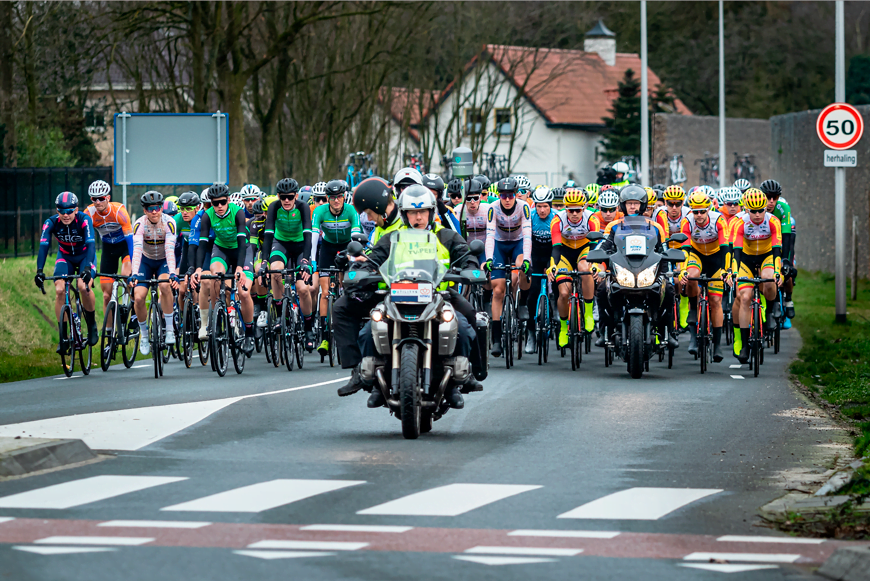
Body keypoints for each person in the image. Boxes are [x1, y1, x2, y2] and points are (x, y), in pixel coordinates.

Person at [334, 185, 482, 408]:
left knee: (465, 325)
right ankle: (374, 382)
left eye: (423, 211)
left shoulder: (446, 236)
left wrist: (470, 268)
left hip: (439, 295)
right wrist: (361, 270)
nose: (418, 217)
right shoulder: (392, 239)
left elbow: (466, 255)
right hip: (397, 296)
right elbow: (374, 259)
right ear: (405, 214)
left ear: (432, 212)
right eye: (413, 212)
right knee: (368, 332)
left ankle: (456, 381)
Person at [595, 185, 676, 349]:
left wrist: (668, 272)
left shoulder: (655, 226)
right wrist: (596, 261)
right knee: (603, 289)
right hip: (621, 272)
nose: (633, 206)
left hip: (649, 272)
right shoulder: (614, 226)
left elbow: (664, 250)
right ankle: (605, 330)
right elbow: (603, 246)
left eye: (636, 203)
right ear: (623, 205)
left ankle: (668, 331)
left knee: (668, 290)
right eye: (629, 203)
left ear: (643, 205)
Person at [192, 183, 256, 356]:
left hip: (242, 250)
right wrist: (198, 268)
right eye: (215, 203)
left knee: (243, 292)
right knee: (215, 276)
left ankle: (249, 332)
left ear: (228, 200)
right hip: (221, 249)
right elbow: (203, 244)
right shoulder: (207, 215)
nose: (219, 206)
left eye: (222, 202)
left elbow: (243, 243)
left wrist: (240, 268)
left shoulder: (238, 212)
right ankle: (222, 315)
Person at [35, 192, 99, 350]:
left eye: (69, 211)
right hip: (65, 257)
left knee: (83, 286)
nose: (65, 215)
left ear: (76, 210)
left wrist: (87, 268)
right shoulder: (51, 222)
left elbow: (91, 244)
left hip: (85, 256)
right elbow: (44, 246)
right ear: (57, 211)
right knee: (59, 290)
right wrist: (39, 271)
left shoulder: (84, 220)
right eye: (61, 211)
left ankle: (91, 325)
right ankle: (63, 337)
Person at [260, 177, 315, 351]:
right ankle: (279, 315)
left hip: (300, 247)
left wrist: (306, 261)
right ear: (278, 196)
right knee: (275, 271)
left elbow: (308, 236)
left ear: (296, 196)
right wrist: (264, 262)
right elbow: (268, 236)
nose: (286, 201)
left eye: (290, 197)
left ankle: (308, 329)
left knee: (303, 289)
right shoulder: (274, 208)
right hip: (280, 244)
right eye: (283, 197)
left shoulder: (303, 207)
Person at [731, 188, 783, 363]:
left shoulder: (773, 221)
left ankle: (769, 312)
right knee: (744, 297)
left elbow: (777, 252)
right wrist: (735, 273)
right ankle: (745, 344)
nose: (758, 214)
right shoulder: (740, 223)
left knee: (769, 279)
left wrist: (778, 272)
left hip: (767, 256)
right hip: (745, 259)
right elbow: (736, 252)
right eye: (753, 211)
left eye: (761, 210)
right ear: (746, 209)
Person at [310, 179, 361, 355]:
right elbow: (314, 237)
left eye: (339, 196)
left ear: (344, 196)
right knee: (325, 293)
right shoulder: (320, 211)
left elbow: (355, 236)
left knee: (346, 287)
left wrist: (353, 257)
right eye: (332, 197)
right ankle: (324, 337)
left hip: (347, 247)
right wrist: (312, 261)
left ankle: (348, 330)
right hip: (328, 249)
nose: (336, 200)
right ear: (327, 198)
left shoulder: (351, 210)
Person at [483, 176, 532, 357]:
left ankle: (522, 303)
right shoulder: (492, 208)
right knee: (498, 290)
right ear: (499, 196)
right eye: (503, 196)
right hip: (499, 245)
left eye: (511, 195)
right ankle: (496, 339)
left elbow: (527, 235)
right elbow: (489, 235)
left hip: (518, 243)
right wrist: (489, 258)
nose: (508, 199)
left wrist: (527, 259)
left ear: (515, 194)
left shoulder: (523, 207)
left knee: (521, 269)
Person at [679, 190, 730, 362]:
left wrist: (726, 270)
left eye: (702, 211)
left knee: (716, 302)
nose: (699, 215)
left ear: (708, 209)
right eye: (695, 212)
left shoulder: (719, 220)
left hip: (716, 259)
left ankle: (717, 345)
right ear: (691, 211)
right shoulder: (687, 222)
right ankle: (693, 314)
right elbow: (685, 250)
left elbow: (726, 249)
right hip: (697, 256)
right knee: (691, 276)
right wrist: (684, 270)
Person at [129, 191, 179, 355]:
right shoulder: (139, 224)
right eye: (150, 209)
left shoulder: (169, 222)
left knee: (165, 286)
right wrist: (134, 273)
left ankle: (170, 329)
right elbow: (136, 250)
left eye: (157, 207)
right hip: (146, 261)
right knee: (138, 297)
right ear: (145, 211)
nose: (154, 211)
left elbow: (170, 249)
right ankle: (144, 336)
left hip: (163, 261)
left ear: (161, 208)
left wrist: (172, 272)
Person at [546, 188, 597, 349]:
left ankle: (588, 312)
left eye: (578, 210)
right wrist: (552, 265)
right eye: (570, 210)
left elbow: (595, 247)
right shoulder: (557, 220)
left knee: (585, 268)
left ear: (584, 208)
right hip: (564, 252)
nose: (574, 214)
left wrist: (595, 264)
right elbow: (555, 247)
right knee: (563, 292)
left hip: (584, 250)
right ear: (565, 209)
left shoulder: (591, 219)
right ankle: (563, 327)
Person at [84, 180, 134, 314]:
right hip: (108, 249)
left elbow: (130, 239)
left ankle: (134, 307)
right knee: (106, 296)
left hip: (124, 246)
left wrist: (135, 263)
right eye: (95, 199)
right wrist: (89, 267)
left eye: (101, 198)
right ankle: (108, 331)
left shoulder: (119, 212)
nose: (98, 202)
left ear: (108, 198)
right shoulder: (89, 214)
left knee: (126, 275)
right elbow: (88, 243)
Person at [524, 186, 558, 353]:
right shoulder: (530, 217)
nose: (542, 210)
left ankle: (557, 310)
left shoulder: (556, 218)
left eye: (545, 206)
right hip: (536, 255)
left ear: (550, 206)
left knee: (559, 284)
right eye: (539, 206)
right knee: (532, 295)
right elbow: (526, 241)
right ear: (535, 206)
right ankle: (530, 333)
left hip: (552, 254)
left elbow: (559, 245)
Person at [760, 179, 796, 319]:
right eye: (767, 197)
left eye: (774, 197)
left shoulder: (783, 209)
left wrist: (786, 260)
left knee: (788, 272)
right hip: (762, 246)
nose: (770, 201)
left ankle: (788, 299)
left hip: (779, 243)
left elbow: (787, 237)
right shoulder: (755, 208)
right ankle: (769, 301)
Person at [355, 176, 402, 246]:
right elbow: (373, 249)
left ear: (380, 207)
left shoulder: (405, 226)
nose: (369, 219)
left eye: (369, 213)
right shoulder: (379, 226)